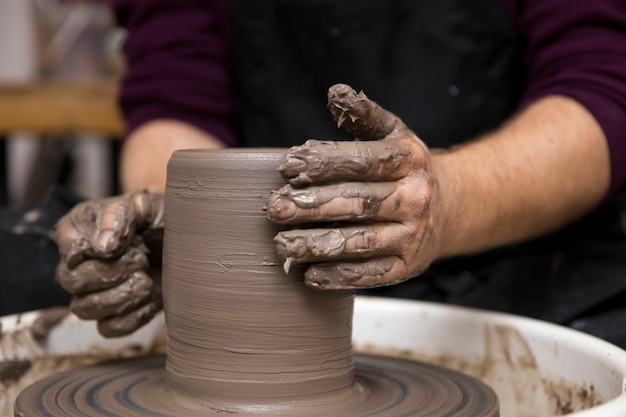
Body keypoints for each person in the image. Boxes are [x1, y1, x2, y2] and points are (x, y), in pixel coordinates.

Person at [53, 0, 626, 346]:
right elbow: (176, 91)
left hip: (517, 256)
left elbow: (602, 90)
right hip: (279, 268)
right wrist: (187, 229)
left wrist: (447, 202)